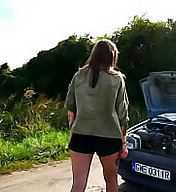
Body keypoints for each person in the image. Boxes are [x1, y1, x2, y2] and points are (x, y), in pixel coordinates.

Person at [64, 39, 129, 192]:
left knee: (78, 183)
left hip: (81, 133)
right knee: (111, 180)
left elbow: (70, 108)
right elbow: (122, 114)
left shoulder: (79, 75)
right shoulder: (117, 79)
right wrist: (123, 142)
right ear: (112, 57)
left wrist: (73, 131)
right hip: (109, 137)